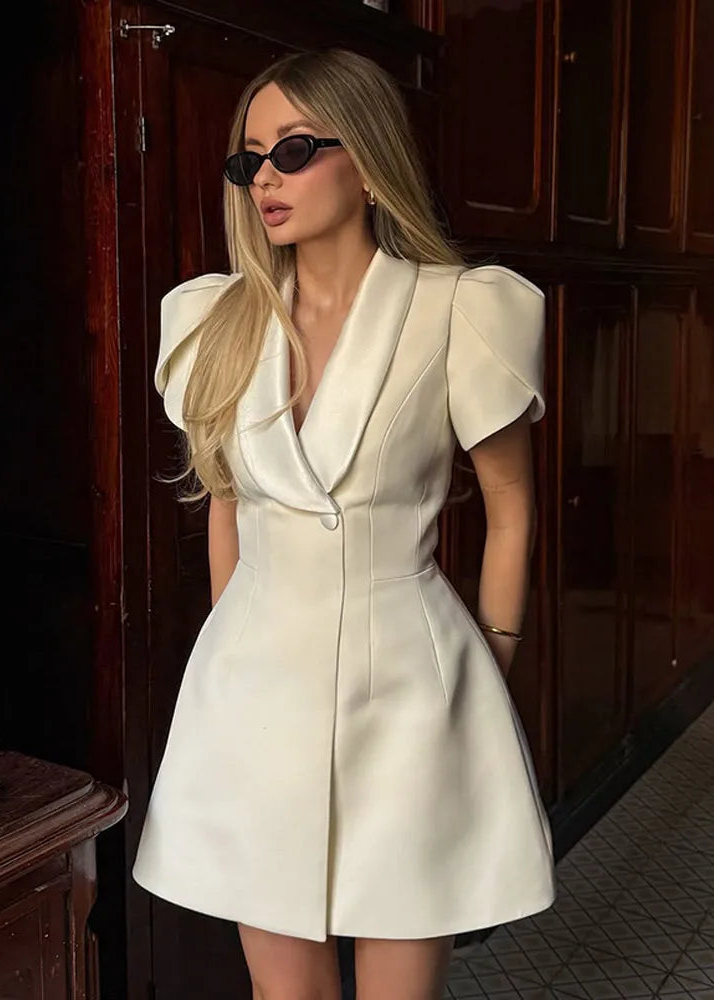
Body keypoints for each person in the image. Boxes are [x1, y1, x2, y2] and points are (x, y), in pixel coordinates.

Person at [132, 47, 557, 1000]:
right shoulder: (217, 321)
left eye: (292, 148)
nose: (266, 179)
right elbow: (226, 507)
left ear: (364, 158)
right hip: (254, 697)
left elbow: (511, 504)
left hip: (409, 689)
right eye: (249, 160)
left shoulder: (460, 309)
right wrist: (228, 655)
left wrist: (490, 661)